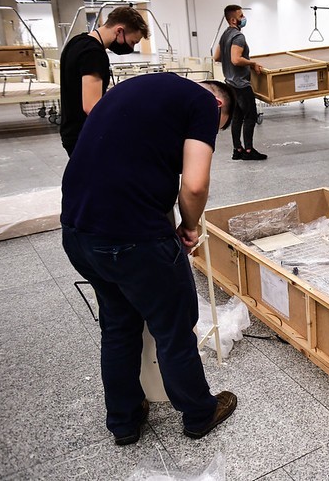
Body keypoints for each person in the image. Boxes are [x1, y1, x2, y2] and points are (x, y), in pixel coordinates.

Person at [61, 72, 238, 445]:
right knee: (174, 329)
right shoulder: (206, 103)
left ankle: (124, 422)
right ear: (219, 106)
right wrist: (189, 228)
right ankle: (198, 414)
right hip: (135, 239)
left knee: (118, 326)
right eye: (216, 131)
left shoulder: (134, 89)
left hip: (78, 233)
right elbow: (194, 184)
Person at [59, 6, 149, 156]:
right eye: (133, 42)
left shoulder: (76, 42)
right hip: (85, 135)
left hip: (71, 130)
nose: (131, 47)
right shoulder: (93, 54)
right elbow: (91, 106)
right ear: (119, 31)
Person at [214, 4, 267, 161]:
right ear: (233, 19)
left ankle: (237, 149)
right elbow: (236, 59)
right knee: (250, 116)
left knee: (237, 117)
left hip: (230, 84)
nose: (243, 18)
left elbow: (216, 57)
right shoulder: (238, 36)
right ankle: (249, 151)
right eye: (241, 16)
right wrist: (252, 63)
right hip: (241, 84)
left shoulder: (225, 35)